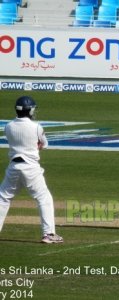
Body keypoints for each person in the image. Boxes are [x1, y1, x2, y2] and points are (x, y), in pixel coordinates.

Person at [0, 96, 63, 244]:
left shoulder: (8, 126)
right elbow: (44, 144)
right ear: (31, 110)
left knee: (3, 198)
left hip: (14, 167)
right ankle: (48, 234)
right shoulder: (36, 127)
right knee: (44, 198)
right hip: (31, 168)